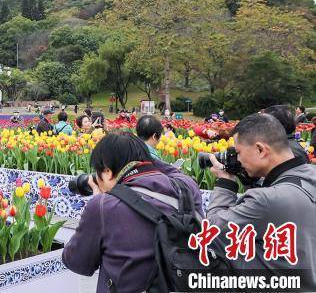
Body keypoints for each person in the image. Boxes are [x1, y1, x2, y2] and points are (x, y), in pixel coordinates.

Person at [62, 132, 203, 292]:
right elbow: (170, 170)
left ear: (107, 171)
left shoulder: (103, 206)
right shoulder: (186, 187)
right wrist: (139, 155)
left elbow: (77, 263)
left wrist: (98, 203)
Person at [206, 113, 316, 288]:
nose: (238, 160)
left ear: (260, 150)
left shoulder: (266, 200)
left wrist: (225, 183)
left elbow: (211, 232)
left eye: (239, 152)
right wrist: (252, 182)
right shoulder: (311, 174)